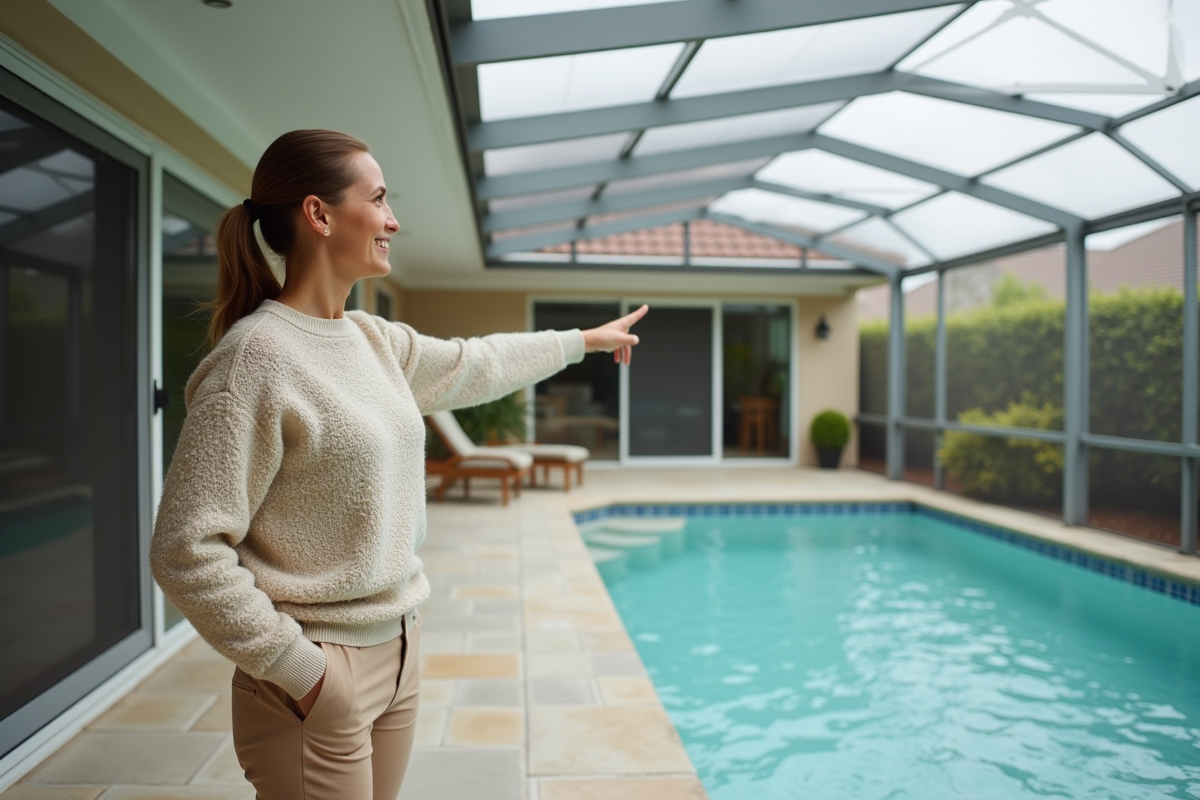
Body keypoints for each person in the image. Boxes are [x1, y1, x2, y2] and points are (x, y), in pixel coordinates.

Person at [150, 129, 647, 800]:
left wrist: (582, 341)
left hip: (399, 653)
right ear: (319, 215)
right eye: (379, 199)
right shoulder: (255, 361)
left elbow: (479, 362)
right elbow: (185, 549)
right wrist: (303, 670)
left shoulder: (370, 338)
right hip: (317, 672)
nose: (393, 220)